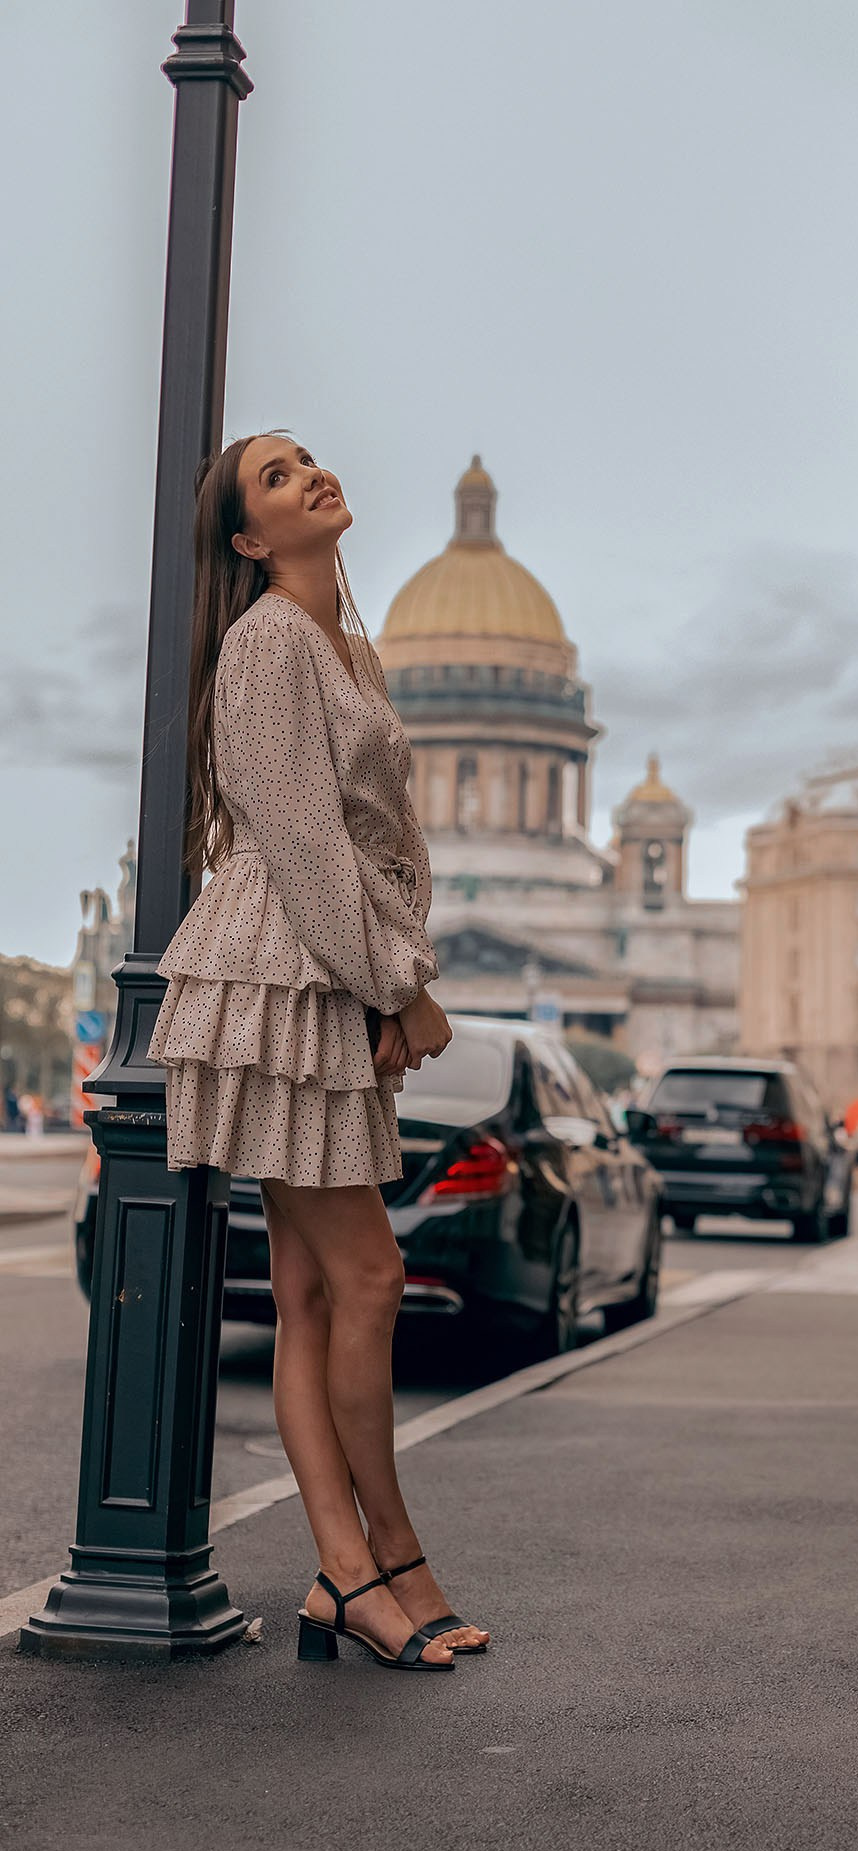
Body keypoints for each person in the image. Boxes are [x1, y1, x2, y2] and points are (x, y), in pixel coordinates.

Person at [146, 434, 488, 1673]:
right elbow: (297, 838)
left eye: (309, 463)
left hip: (314, 974)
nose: (312, 479)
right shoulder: (267, 643)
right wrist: (400, 987)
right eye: (279, 479)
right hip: (280, 977)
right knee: (371, 1280)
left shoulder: (344, 641)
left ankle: (355, 1575)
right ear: (247, 539)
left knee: (308, 1295)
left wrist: (395, 970)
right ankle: (374, 1564)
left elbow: (379, 834)